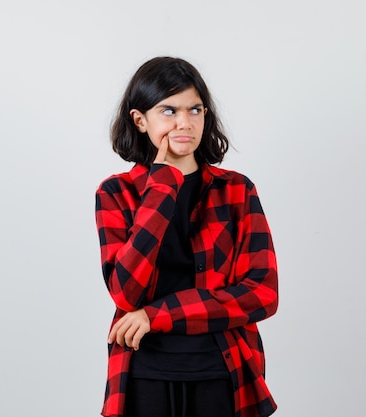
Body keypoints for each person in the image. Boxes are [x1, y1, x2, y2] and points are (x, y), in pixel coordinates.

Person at [95, 57, 279, 417]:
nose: (185, 122)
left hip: (223, 373)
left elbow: (263, 294)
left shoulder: (237, 191)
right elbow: (125, 290)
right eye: (169, 110)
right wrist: (162, 185)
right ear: (140, 119)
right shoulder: (116, 194)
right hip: (143, 373)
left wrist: (156, 315)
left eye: (195, 109)